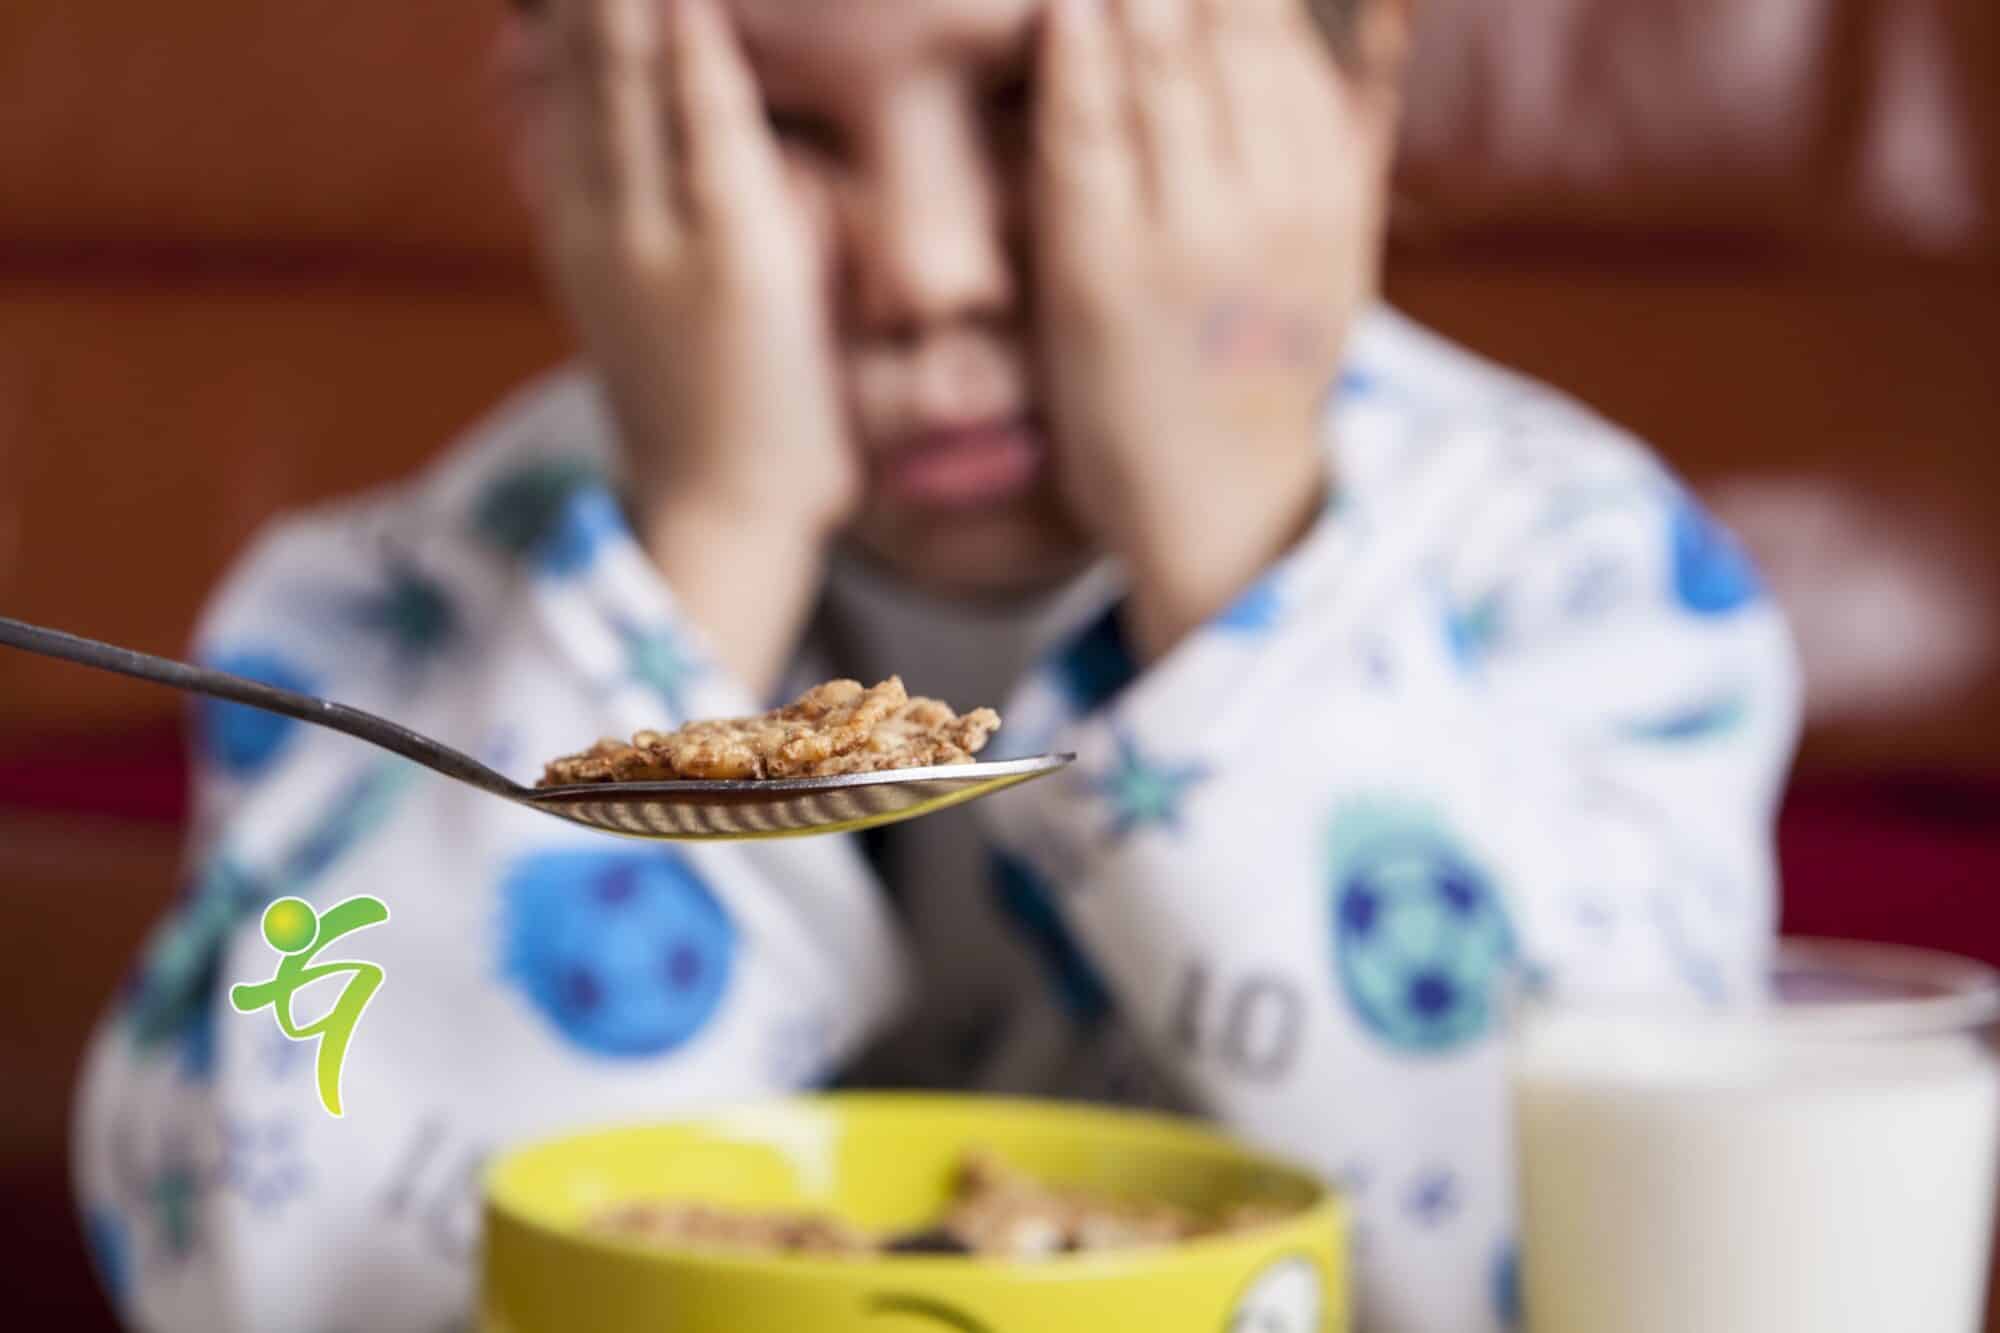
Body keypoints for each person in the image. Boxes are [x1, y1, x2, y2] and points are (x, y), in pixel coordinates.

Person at [72, 1, 1800, 1329]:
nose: (929, 269)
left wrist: (1235, 537)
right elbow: (268, 1279)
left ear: (1352, 95)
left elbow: (1638, 1264)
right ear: (562, 143)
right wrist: (710, 538)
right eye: (773, 123)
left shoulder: (1587, 584)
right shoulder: (388, 615)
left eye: (1042, 104)